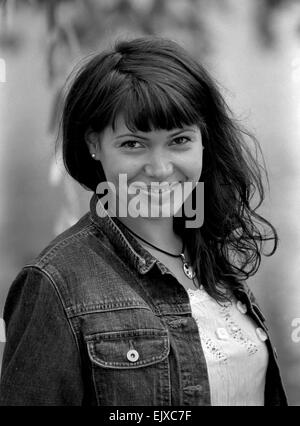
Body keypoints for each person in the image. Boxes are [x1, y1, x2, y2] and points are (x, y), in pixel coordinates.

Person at [0, 36, 288, 406]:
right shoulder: (56, 284)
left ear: (204, 141)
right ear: (94, 144)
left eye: (179, 140)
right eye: (133, 144)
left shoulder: (212, 255)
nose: (160, 169)